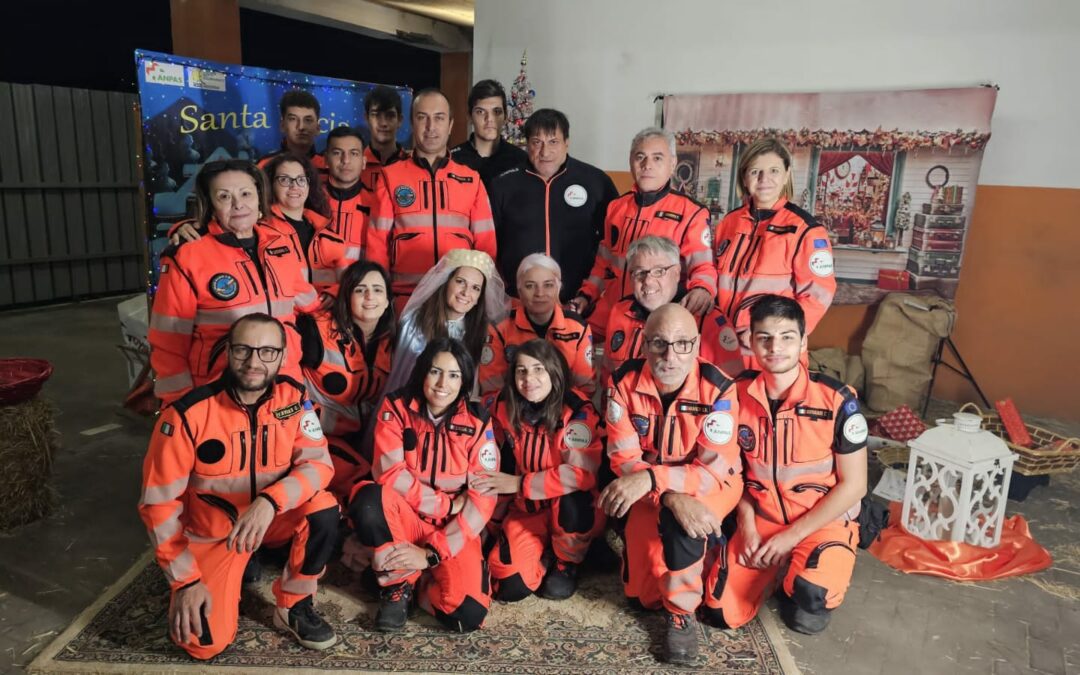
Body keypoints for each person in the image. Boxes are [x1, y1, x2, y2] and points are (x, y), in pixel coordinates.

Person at [138, 314, 339, 659]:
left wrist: (270, 501)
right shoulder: (186, 415)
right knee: (202, 644)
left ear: (281, 355)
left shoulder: (293, 398)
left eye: (266, 352)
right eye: (243, 350)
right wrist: (184, 580)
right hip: (214, 535)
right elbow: (158, 505)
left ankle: (293, 604)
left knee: (323, 508)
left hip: (269, 519)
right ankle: (216, 574)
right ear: (228, 351)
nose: (253, 363)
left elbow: (319, 465)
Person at [702, 295, 867, 635]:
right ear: (751, 341)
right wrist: (747, 526)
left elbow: (855, 485)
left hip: (823, 523)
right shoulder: (735, 395)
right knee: (719, 612)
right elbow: (734, 476)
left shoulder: (837, 400)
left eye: (787, 337)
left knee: (808, 604)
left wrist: (790, 538)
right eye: (764, 337)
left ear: (804, 341)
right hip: (763, 521)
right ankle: (777, 571)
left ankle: (801, 570)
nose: (775, 347)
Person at [599, 303, 742, 664]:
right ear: (644, 345)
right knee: (641, 597)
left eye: (682, 344)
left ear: (696, 346)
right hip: (649, 490)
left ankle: (682, 614)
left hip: (711, 485)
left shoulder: (720, 390)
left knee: (685, 523)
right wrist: (664, 492)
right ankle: (691, 556)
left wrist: (655, 480)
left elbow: (710, 471)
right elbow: (622, 457)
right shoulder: (622, 383)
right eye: (659, 343)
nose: (670, 355)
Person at [349, 338, 498, 632]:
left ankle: (418, 583)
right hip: (408, 518)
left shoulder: (479, 421)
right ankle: (396, 587)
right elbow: (389, 474)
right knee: (368, 499)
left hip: (452, 527)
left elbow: (482, 499)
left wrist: (431, 554)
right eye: (435, 372)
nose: (443, 383)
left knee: (467, 615)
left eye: (454, 375)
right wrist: (443, 503)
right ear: (422, 373)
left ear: (465, 380)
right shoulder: (397, 407)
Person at [149, 159, 320, 405]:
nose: (238, 204)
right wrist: (182, 403)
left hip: (284, 382)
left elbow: (310, 302)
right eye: (224, 196)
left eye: (246, 193)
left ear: (259, 197)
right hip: (219, 391)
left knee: (307, 444)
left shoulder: (281, 245)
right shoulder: (187, 256)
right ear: (210, 204)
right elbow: (168, 341)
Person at [480, 340, 603, 601]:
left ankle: (567, 561)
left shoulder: (578, 411)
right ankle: (543, 553)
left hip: (570, 507)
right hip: (526, 509)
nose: (529, 379)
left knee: (573, 499)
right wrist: (489, 526)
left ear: (554, 372)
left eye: (538, 370)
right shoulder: (502, 405)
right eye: (521, 371)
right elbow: (495, 460)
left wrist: (520, 484)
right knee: (508, 585)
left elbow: (582, 474)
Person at [572, 127, 717, 336]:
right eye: (640, 157)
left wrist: (702, 288)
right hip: (611, 313)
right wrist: (586, 295)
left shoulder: (691, 213)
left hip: (656, 321)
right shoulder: (616, 207)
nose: (647, 165)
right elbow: (603, 264)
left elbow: (703, 267)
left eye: (657, 158)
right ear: (631, 161)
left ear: (673, 164)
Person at [713, 138, 836, 368]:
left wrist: (775, 338)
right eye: (755, 171)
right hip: (723, 349)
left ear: (787, 174)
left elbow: (818, 297)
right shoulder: (728, 224)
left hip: (773, 356)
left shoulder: (805, 230)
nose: (764, 179)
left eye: (773, 170)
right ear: (744, 176)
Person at [366, 88, 497, 305]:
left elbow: (486, 249)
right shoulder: (391, 177)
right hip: (405, 301)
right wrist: (381, 296)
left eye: (439, 118)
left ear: (450, 125)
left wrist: (478, 298)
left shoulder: (471, 179)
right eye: (422, 118)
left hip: (457, 303)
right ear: (411, 123)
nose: (430, 127)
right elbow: (377, 245)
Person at [487, 108, 618, 300]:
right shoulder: (502, 185)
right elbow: (488, 245)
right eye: (536, 142)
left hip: (579, 300)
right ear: (526, 145)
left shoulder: (596, 182)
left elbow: (612, 242)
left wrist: (592, 291)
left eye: (553, 142)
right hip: (519, 300)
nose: (545, 151)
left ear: (567, 142)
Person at [297, 261, 395, 504]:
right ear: (346, 296)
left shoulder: (395, 340)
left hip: (367, 438)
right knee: (367, 486)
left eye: (378, 290)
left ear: (387, 301)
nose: (370, 296)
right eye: (360, 289)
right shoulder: (315, 329)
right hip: (317, 439)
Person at [604, 236, 742, 381]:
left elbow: (731, 390)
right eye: (639, 273)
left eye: (659, 271)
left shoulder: (708, 319)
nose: (648, 281)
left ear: (676, 273)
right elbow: (609, 379)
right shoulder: (619, 313)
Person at [385, 248, 508, 394]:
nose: (466, 293)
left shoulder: (486, 331)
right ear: (445, 283)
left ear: (479, 298)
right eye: (460, 282)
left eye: (475, 288)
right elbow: (402, 378)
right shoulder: (414, 322)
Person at [478, 254, 595, 395]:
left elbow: (585, 389)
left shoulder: (578, 328)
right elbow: (491, 391)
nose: (539, 293)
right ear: (520, 292)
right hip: (514, 411)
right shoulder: (499, 328)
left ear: (558, 289)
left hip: (564, 411)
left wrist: (562, 415)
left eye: (548, 285)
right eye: (530, 286)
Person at [264, 153, 349, 296]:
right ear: (270, 185)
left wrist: (335, 293)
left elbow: (348, 281)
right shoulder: (262, 231)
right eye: (284, 179)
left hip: (325, 315)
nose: (294, 186)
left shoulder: (327, 235)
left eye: (301, 180)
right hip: (286, 316)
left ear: (309, 185)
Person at [449, 79, 527, 189]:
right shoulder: (452, 159)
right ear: (470, 117)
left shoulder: (520, 160)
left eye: (497, 112)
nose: (489, 119)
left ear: (505, 117)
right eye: (480, 112)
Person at [323, 125, 372, 264]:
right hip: (315, 285)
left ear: (363, 162)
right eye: (338, 153)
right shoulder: (310, 201)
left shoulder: (376, 205)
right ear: (326, 160)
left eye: (354, 153)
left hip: (359, 284)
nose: (346, 160)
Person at [258, 90, 327, 175]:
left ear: (318, 128)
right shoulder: (265, 166)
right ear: (282, 125)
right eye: (293, 119)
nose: (301, 127)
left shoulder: (330, 167)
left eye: (308, 120)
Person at [361, 85, 410, 191]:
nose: (383, 123)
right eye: (376, 115)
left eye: (390, 115)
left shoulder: (412, 164)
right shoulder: (354, 165)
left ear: (400, 120)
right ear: (366, 119)